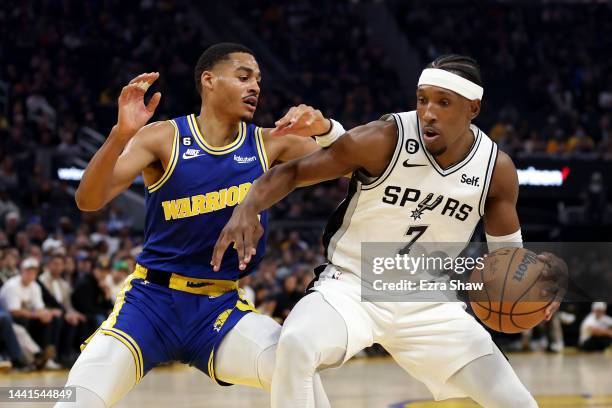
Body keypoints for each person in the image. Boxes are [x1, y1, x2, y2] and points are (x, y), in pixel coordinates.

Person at [213, 54, 568, 408]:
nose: (428, 112)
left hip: (430, 302)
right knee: (296, 344)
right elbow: (290, 173)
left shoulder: (496, 169)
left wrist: (546, 282)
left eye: (443, 103)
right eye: (422, 99)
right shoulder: (384, 138)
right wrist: (247, 207)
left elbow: (510, 259)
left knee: (517, 402)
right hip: (352, 286)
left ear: (472, 109)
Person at [58, 43, 345, 407]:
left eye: (258, 79)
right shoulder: (164, 137)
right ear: (208, 81)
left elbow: (354, 162)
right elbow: (88, 200)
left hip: (218, 308)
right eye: (243, 77)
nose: (255, 86)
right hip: (149, 304)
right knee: (75, 401)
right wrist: (119, 135)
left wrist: (326, 129)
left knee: (295, 364)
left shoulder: (271, 143)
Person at [0, 257, 62, 369]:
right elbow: (14, 312)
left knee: (48, 320)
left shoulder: (35, 286)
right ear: (21, 271)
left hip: (21, 318)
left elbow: (40, 308)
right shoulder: (12, 286)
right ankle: (36, 356)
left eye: (33, 271)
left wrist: (45, 314)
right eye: (28, 271)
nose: (30, 274)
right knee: (21, 327)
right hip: (10, 318)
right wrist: (37, 314)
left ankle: (46, 355)